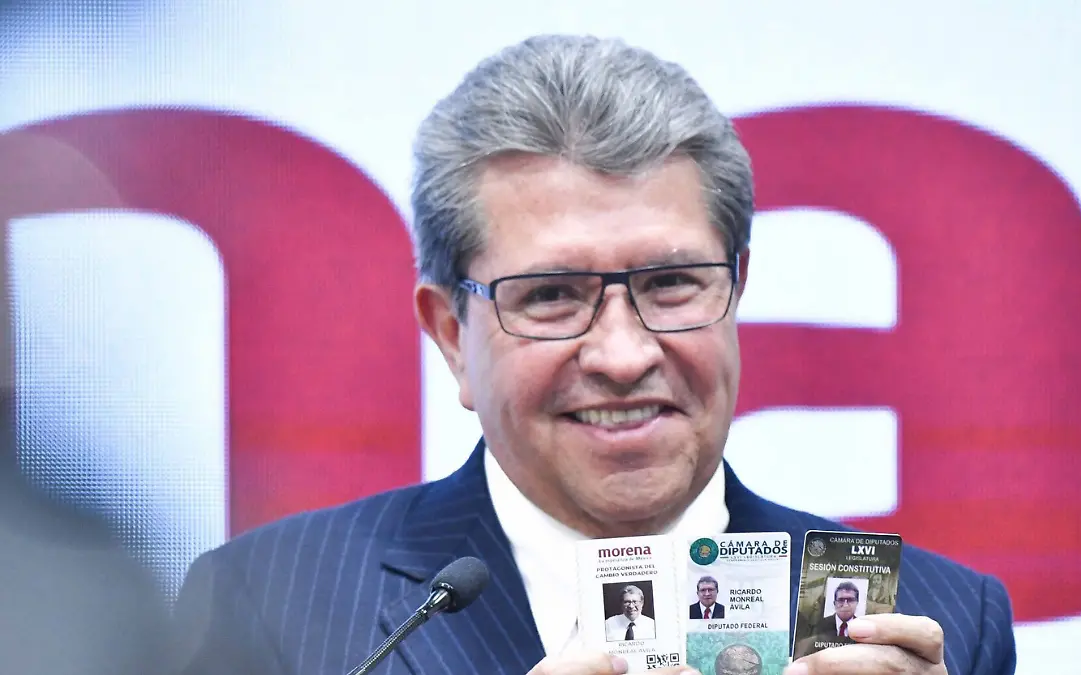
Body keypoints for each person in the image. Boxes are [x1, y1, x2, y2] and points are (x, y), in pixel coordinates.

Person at [169, 34, 1018, 675]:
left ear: (737, 290)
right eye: (550, 295)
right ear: (452, 335)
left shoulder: (944, 623)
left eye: (673, 283)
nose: (621, 353)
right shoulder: (266, 607)